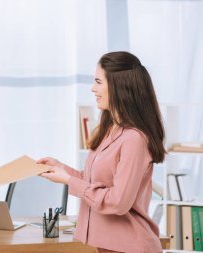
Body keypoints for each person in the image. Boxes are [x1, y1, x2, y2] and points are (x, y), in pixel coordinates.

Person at [38, 51, 166, 253]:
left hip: (132, 246)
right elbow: (97, 183)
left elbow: (118, 202)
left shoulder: (134, 139)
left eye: (98, 82)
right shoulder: (110, 130)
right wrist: (63, 170)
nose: (92, 88)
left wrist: (69, 181)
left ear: (118, 86)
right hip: (109, 246)